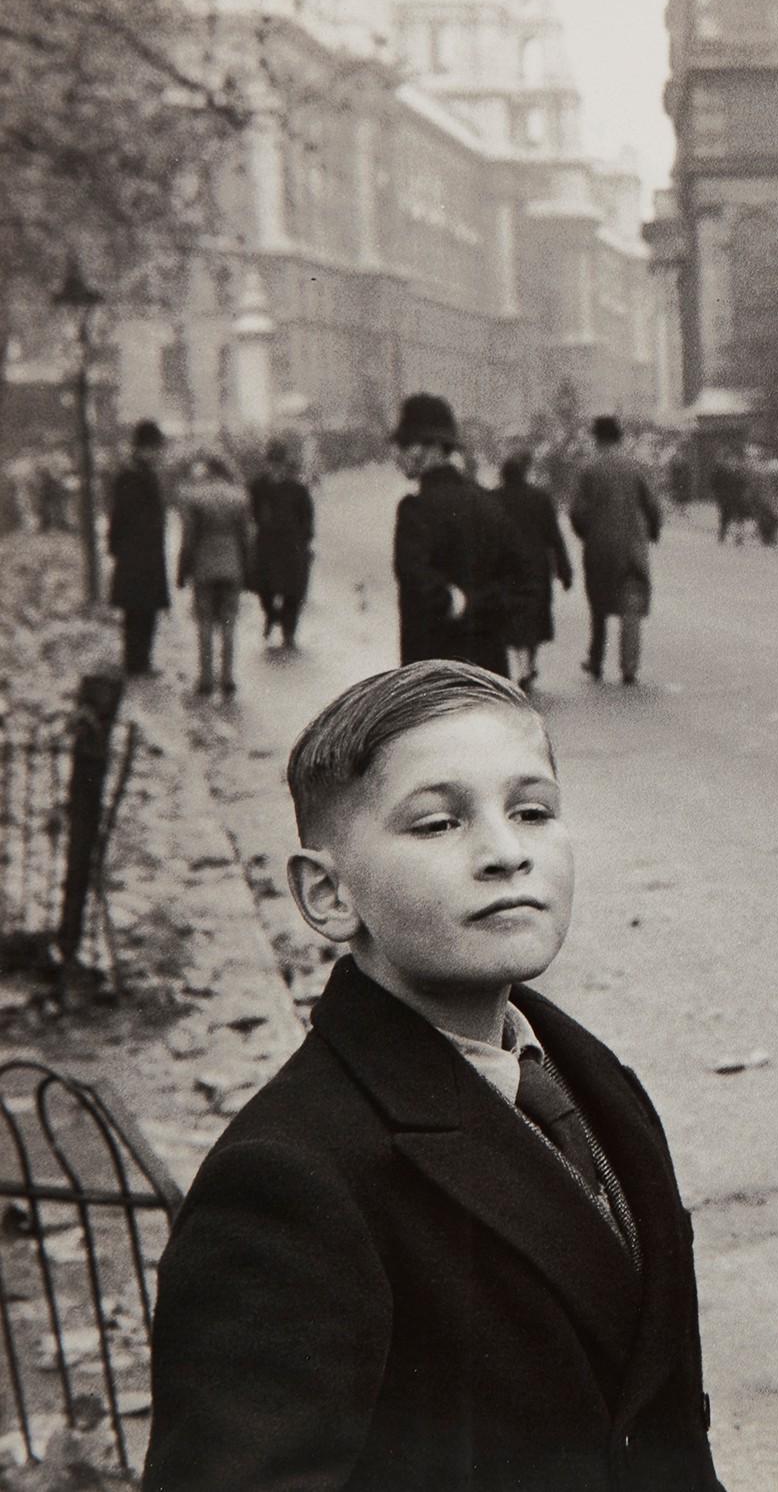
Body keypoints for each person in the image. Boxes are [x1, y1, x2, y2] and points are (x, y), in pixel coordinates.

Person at [143, 662, 725, 1490]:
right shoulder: (290, 1183)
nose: (506, 853)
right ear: (326, 893)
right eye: (438, 824)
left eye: (532, 810)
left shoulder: (596, 1087)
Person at [391, 393, 515, 674]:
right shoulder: (488, 502)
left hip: (433, 676)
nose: (396, 454)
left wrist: (456, 602)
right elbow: (521, 584)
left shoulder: (414, 510)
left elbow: (416, 581)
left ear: (431, 448)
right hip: (490, 672)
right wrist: (482, 606)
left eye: (404, 444)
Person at [570, 415, 661, 685]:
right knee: (630, 604)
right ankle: (629, 666)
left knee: (598, 604)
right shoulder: (635, 466)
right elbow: (652, 505)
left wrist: (587, 533)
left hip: (598, 547)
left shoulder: (587, 468)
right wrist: (653, 531)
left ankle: (596, 659)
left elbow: (576, 512)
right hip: (632, 546)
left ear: (596, 438)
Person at [174, 454, 254, 699]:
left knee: (205, 622)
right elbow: (247, 538)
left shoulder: (193, 497)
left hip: (204, 567)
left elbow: (188, 539)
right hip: (232, 567)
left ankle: (206, 678)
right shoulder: (239, 496)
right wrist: (247, 569)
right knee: (229, 622)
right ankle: (228, 678)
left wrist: (182, 570)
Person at [495, 451, 573, 690]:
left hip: (505, 567)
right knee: (536, 616)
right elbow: (555, 537)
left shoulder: (492, 498)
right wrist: (564, 569)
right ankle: (530, 662)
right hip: (537, 567)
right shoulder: (540, 498)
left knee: (513, 620)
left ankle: (522, 665)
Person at [108, 420, 170, 677]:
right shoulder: (132, 475)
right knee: (137, 610)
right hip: (137, 554)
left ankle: (141, 661)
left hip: (144, 554)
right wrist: (121, 548)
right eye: (155, 449)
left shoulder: (143, 474)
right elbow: (122, 516)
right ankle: (136, 664)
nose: (158, 454)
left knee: (146, 609)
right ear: (143, 449)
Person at [248, 439, 316, 648]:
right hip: (267, 546)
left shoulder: (297, 488)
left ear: (284, 464)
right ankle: (271, 616)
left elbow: (307, 516)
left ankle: (289, 632)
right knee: (264, 590)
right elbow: (250, 513)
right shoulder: (257, 487)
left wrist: (304, 540)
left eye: (278, 464)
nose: (275, 469)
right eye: (271, 464)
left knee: (292, 592)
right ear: (266, 463)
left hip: (291, 547)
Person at [742, 437, 778, 546]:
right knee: (771, 515)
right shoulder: (774, 466)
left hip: (769, 495)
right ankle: (769, 538)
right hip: (770, 495)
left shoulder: (769, 466)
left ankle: (767, 538)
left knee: (769, 515)